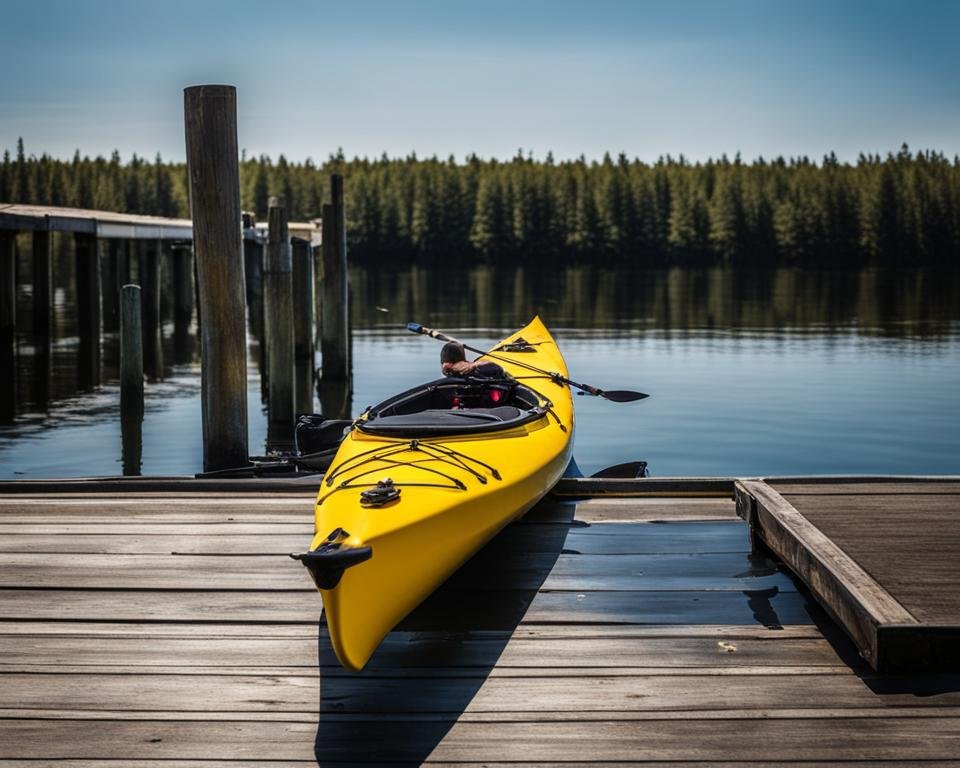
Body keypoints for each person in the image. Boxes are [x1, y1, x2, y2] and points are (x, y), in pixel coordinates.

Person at [440, 341, 507, 378]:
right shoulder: (472, 369)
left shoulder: (449, 373)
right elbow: (498, 369)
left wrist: (472, 365)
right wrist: (474, 365)